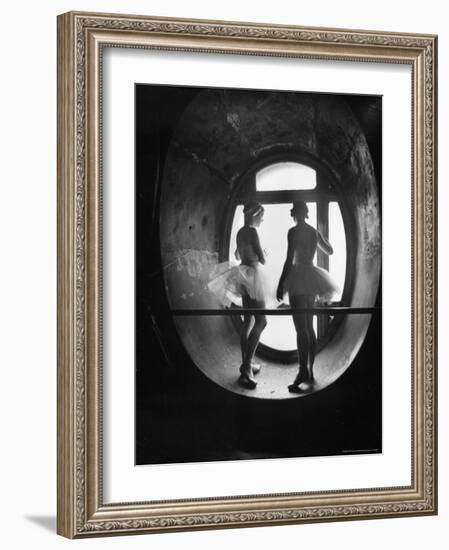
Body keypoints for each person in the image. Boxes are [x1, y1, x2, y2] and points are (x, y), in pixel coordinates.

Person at [277, 200, 339, 393]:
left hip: (297, 277)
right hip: (312, 277)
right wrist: (321, 234)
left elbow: (289, 259)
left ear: (294, 214)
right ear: (307, 213)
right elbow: (330, 250)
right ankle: (310, 370)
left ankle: (302, 371)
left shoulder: (293, 232)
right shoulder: (313, 232)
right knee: (309, 328)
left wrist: (281, 284)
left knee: (300, 329)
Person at [208, 201, 272, 389]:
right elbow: (262, 258)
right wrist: (263, 253)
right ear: (255, 214)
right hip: (252, 275)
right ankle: (246, 367)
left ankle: (247, 363)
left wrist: (249, 254)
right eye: (261, 216)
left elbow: (237, 253)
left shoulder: (240, 232)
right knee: (262, 322)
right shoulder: (252, 231)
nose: (262, 219)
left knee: (248, 321)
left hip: (242, 273)